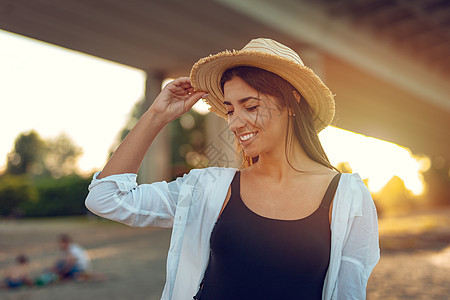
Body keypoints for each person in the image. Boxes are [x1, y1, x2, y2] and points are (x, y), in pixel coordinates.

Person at [85, 38, 380, 299]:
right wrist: (156, 116)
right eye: (229, 109)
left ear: (292, 101)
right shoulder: (211, 188)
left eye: (250, 106)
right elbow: (106, 199)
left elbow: (349, 292)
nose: (235, 123)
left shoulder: (346, 196)